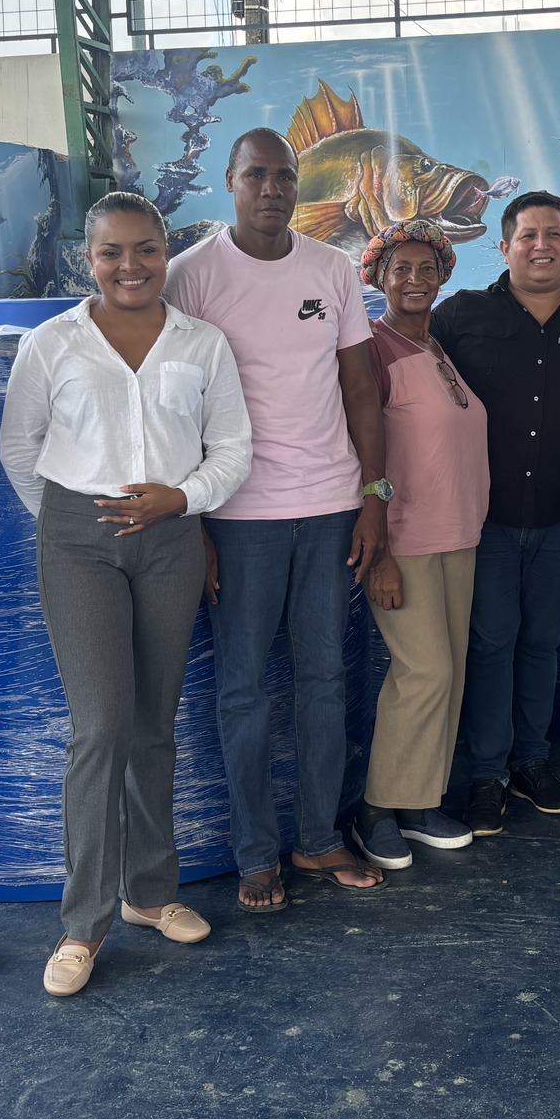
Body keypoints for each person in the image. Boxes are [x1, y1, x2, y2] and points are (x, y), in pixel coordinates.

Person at [0, 192, 253, 996]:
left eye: (146, 249)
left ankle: (149, 894)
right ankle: (83, 925)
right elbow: (19, 447)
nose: (130, 266)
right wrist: (74, 521)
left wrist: (182, 500)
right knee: (102, 727)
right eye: (112, 251)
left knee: (153, 726)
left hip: (172, 536)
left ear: (165, 251)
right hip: (80, 540)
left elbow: (233, 448)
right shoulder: (52, 343)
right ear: (90, 257)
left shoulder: (202, 342)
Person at [164, 128, 391, 911]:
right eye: (255, 175)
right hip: (238, 515)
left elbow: (361, 390)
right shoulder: (191, 277)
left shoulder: (331, 269)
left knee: (326, 680)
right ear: (229, 182)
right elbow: (175, 409)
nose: (271, 189)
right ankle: (256, 855)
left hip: (330, 509)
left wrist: (374, 496)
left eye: (284, 176)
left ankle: (319, 838)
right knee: (244, 691)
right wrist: (196, 523)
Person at [430, 191, 560, 835]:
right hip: (483, 514)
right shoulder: (460, 315)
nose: (541, 246)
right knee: (492, 641)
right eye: (527, 235)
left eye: (554, 235)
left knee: (543, 641)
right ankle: (487, 774)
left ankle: (532, 763)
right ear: (505, 247)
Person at [343, 220, 489, 871]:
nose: (414, 279)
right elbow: (358, 448)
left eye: (426, 268)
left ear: (444, 277)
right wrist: (379, 551)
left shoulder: (434, 348)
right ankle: (376, 808)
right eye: (399, 268)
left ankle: (421, 801)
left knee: (448, 671)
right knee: (424, 670)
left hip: (458, 534)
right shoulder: (373, 349)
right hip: (403, 540)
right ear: (378, 278)